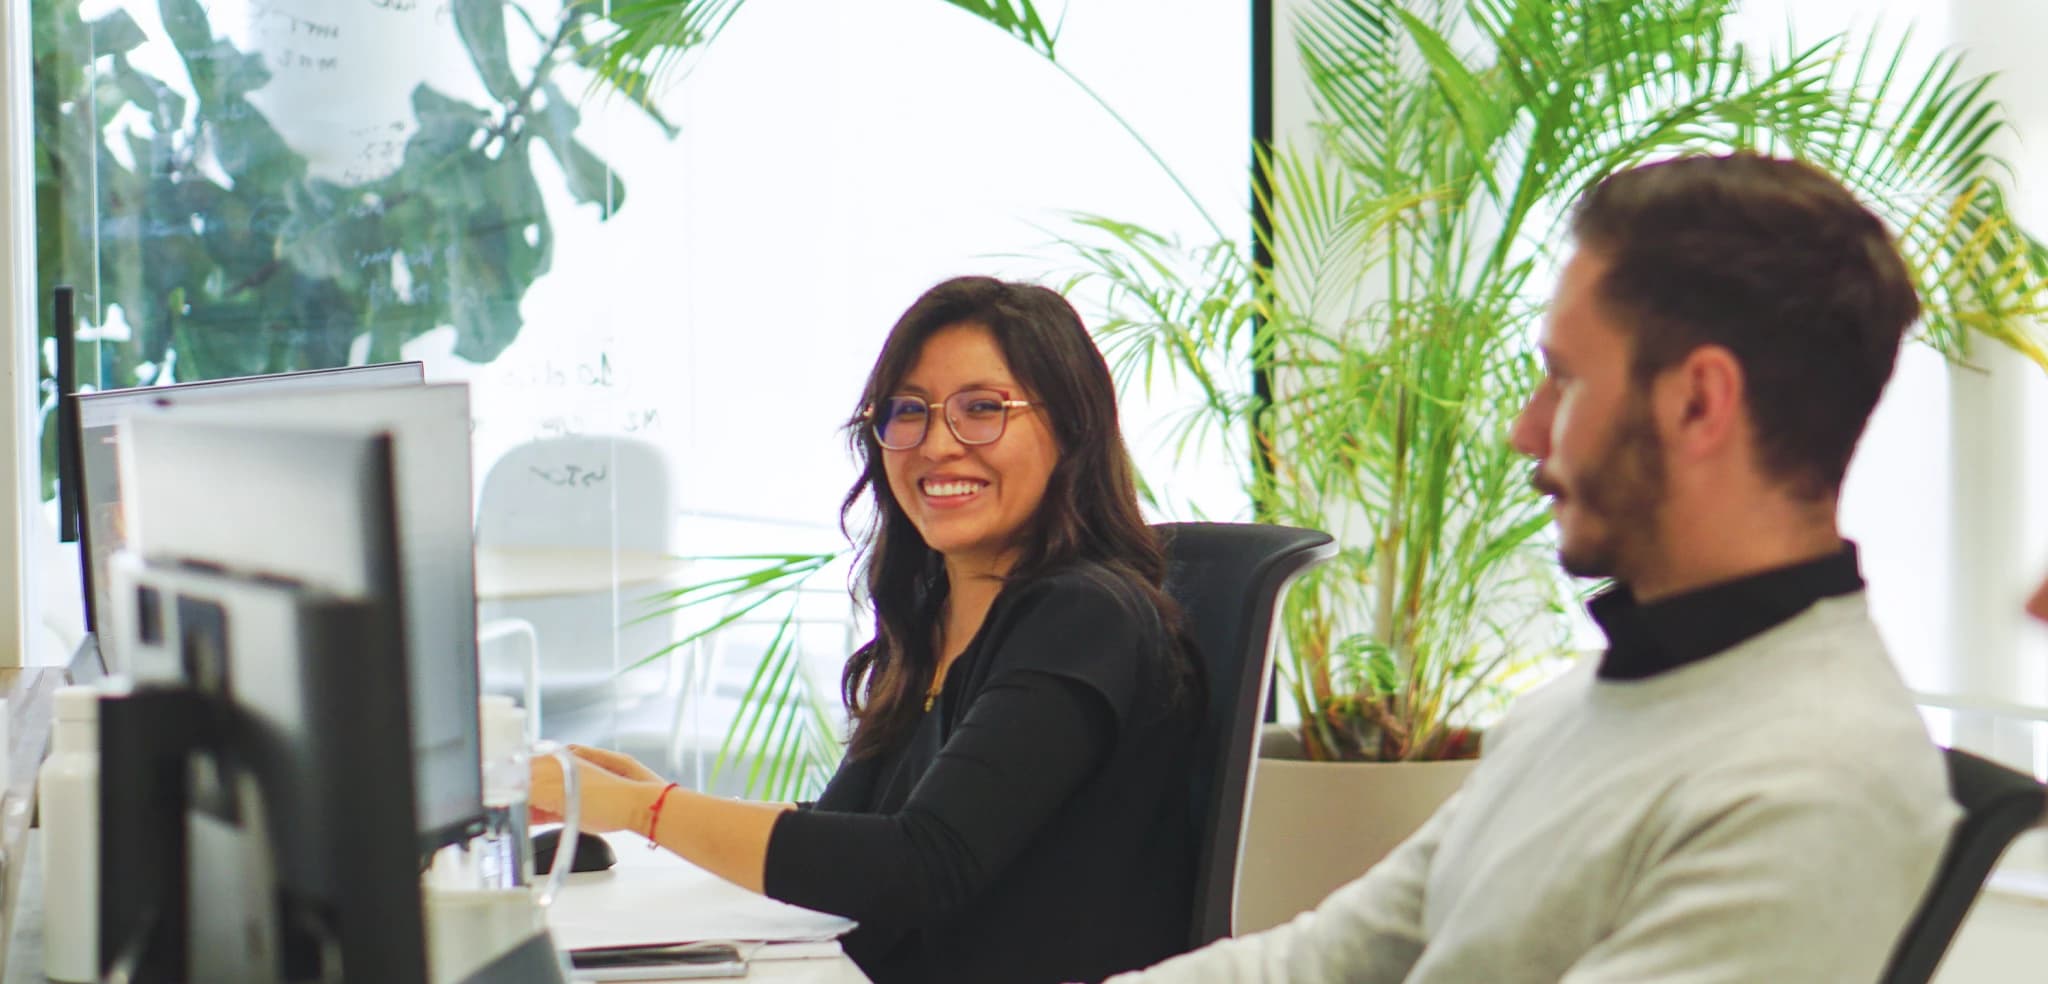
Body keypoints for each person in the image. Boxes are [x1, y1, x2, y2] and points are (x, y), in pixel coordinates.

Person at [1110, 152, 1960, 982]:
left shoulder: (1811, 789)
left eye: (1562, 379)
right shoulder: (1579, 706)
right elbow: (1332, 958)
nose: (1525, 428)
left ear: (1698, 402)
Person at [529, 275, 1204, 984]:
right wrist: (658, 797)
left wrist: (648, 811)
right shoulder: (936, 612)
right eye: (908, 411)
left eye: (982, 409)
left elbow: (919, 863)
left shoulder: (1085, 616)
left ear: (1071, 428)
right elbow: (854, 821)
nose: (938, 444)